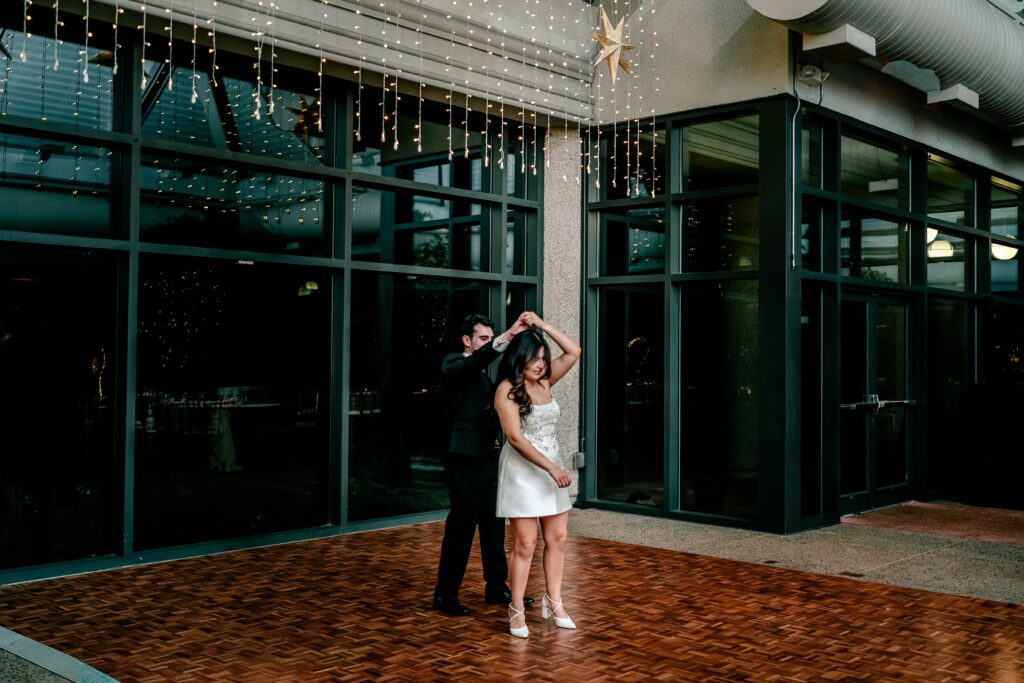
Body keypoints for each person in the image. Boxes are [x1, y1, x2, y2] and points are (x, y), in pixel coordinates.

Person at [433, 312, 535, 616]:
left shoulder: (484, 377)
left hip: (490, 461)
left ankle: (496, 587)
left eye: (491, 339)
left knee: (494, 528)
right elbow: (472, 363)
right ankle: (445, 595)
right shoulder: (455, 364)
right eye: (484, 339)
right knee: (461, 530)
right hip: (465, 463)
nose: (489, 344)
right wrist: (508, 336)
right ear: (467, 340)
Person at [493, 313, 581, 638]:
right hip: (523, 471)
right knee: (526, 544)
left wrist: (543, 327)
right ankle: (516, 608)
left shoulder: (545, 382)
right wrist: (553, 468)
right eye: (535, 358)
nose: (542, 364)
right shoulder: (507, 390)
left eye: (544, 358)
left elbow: (574, 352)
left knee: (557, 539)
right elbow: (515, 438)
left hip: (551, 468)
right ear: (520, 357)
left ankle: (554, 601)